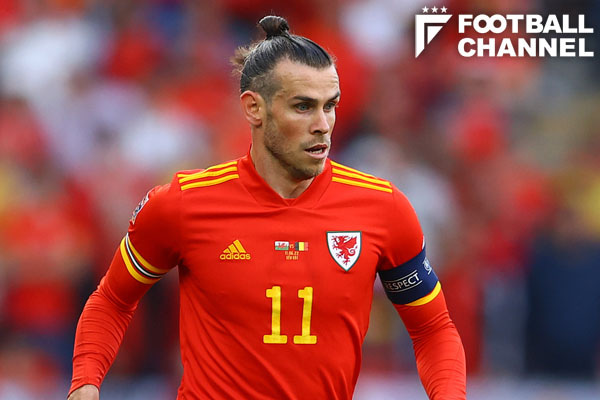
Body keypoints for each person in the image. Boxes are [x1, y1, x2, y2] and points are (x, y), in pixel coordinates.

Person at [68, 15, 466, 400]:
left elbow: (432, 327)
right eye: (303, 106)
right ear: (254, 108)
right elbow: (113, 299)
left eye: (330, 105)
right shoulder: (183, 204)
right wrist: (86, 381)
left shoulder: (382, 208)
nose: (322, 124)